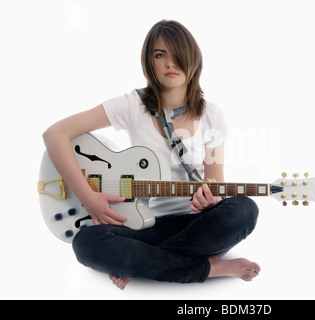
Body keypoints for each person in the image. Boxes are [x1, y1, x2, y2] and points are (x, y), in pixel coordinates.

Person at [42, 20, 260, 290]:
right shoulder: (132, 105)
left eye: (177, 53)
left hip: (197, 226)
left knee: (244, 209)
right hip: (142, 226)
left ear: (193, 59)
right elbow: (55, 135)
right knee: (86, 244)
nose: (170, 63)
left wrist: (211, 197)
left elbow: (215, 179)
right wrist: (88, 198)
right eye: (160, 55)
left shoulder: (212, 114)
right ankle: (208, 267)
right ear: (149, 62)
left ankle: (143, 261)